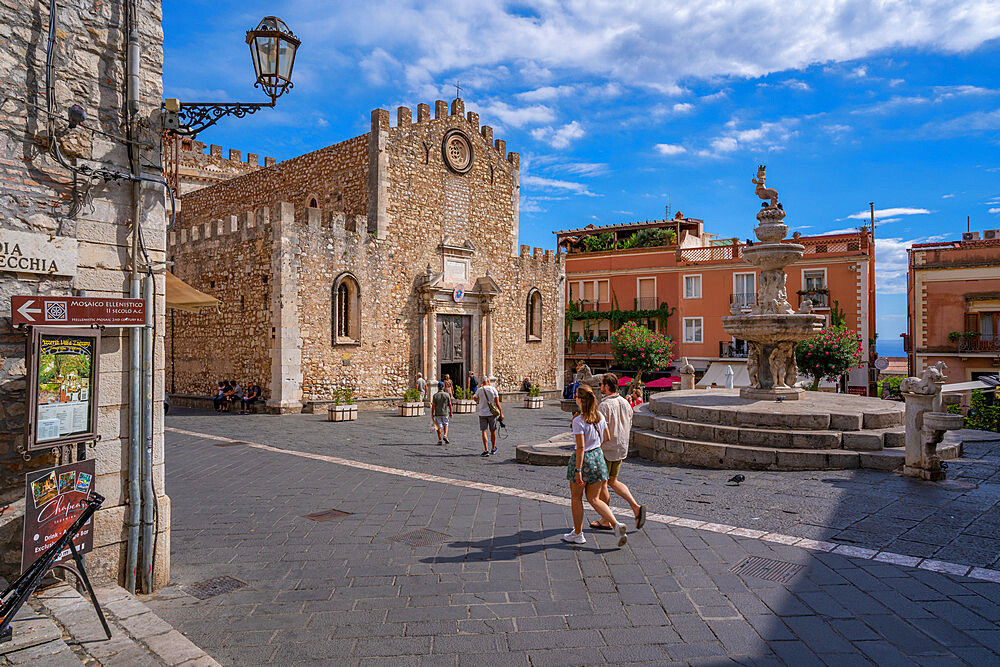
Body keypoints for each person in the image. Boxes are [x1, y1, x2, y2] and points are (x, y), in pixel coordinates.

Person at [563, 384, 627, 547]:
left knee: (576, 498)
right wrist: (596, 443)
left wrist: (578, 470)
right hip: (598, 457)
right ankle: (616, 525)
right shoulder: (599, 416)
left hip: (584, 460)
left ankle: (578, 534)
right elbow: (606, 436)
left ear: (579, 399)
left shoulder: (578, 420)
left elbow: (581, 447)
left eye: (576, 396)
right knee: (594, 499)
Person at [592, 373, 646, 531]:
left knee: (603, 483)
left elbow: (602, 429)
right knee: (613, 480)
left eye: (601, 384)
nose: (600, 387)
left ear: (607, 386)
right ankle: (635, 507)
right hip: (621, 446)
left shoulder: (604, 406)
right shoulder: (624, 402)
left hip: (607, 448)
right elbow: (630, 421)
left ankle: (605, 519)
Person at [474, 375, 504, 457]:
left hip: (482, 413)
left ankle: (486, 449)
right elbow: (497, 403)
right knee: (492, 431)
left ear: (482, 382)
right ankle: (493, 448)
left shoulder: (480, 390)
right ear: (488, 381)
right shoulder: (493, 389)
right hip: (491, 413)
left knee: (484, 431)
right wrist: (501, 413)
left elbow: (475, 399)